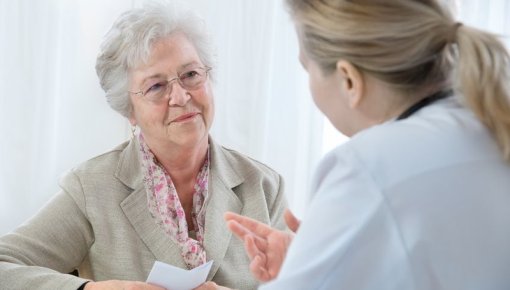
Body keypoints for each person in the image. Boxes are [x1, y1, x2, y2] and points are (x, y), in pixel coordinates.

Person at [0, 2, 287, 290]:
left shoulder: (264, 187)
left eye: (190, 75)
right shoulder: (92, 188)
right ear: (130, 112)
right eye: (156, 87)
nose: (180, 96)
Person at [224, 0, 510, 289]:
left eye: (306, 68)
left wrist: (312, 270)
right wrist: (317, 264)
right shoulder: (489, 122)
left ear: (349, 79)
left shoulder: (367, 166)